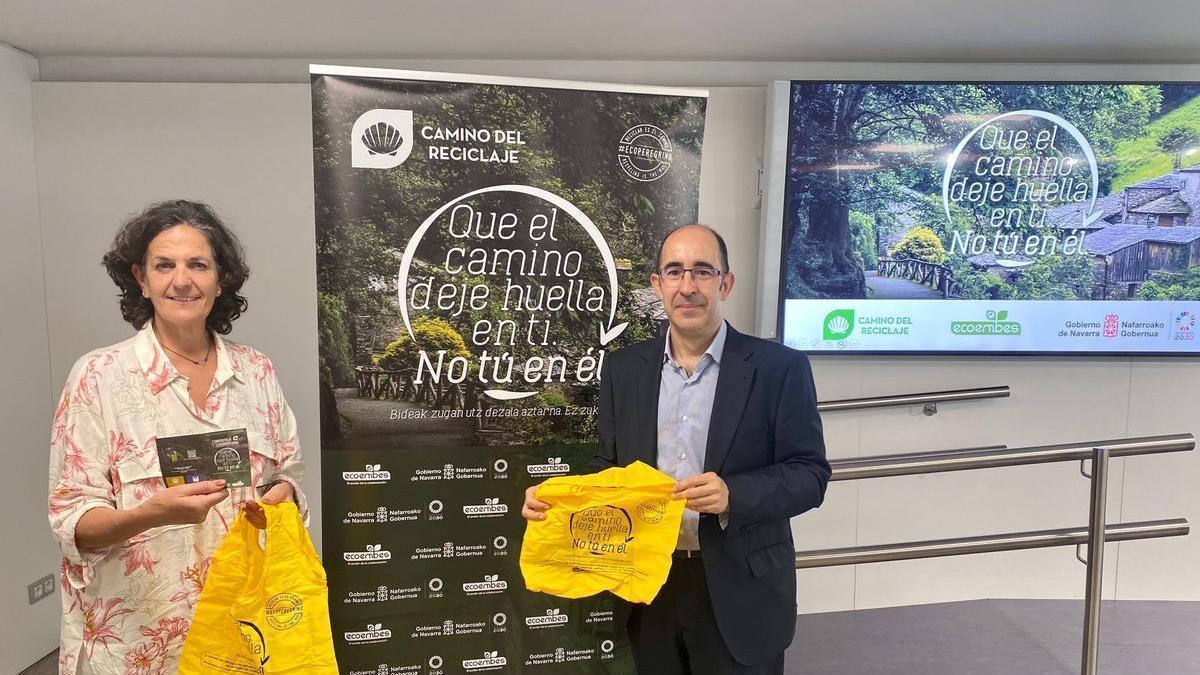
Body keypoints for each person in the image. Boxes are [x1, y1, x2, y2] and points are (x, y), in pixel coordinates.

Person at [523, 224, 829, 674]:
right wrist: (562, 503)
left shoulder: (779, 368)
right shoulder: (624, 370)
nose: (688, 287)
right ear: (657, 284)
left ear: (725, 282)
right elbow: (608, 467)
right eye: (674, 272)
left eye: (703, 271)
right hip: (648, 584)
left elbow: (809, 474)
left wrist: (733, 495)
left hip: (740, 587)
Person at [47, 200, 307, 675]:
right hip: (142, 645)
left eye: (198, 265)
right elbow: (72, 524)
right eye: (163, 265)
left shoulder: (257, 370)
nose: (181, 281)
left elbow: (286, 474)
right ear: (141, 280)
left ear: (221, 278)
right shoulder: (99, 376)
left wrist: (284, 494)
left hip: (242, 634)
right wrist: (151, 514)